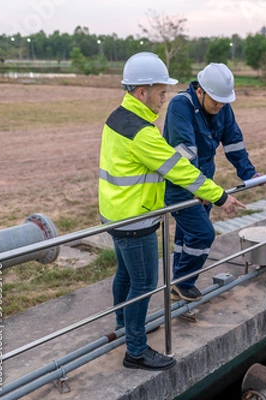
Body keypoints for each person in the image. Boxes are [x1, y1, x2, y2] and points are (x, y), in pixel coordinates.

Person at [98, 53, 245, 371]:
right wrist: (220, 196)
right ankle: (135, 350)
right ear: (142, 92)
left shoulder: (117, 118)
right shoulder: (143, 133)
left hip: (113, 213)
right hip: (136, 219)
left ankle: (126, 325)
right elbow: (181, 171)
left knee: (125, 275)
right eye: (161, 91)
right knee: (144, 283)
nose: (165, 98)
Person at [163, 63, 259, 302]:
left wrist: (248, 173)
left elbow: (233, 141)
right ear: (200, 91)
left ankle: (177, 286)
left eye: (223, 101)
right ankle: (183, 283)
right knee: (202, 234)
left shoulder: (222, 108)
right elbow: (185, 154)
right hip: (180, 184)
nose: (219, 105)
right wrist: (202, 190)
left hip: (205, 179)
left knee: (187, 236)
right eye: (215, 100)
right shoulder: (180, 106)